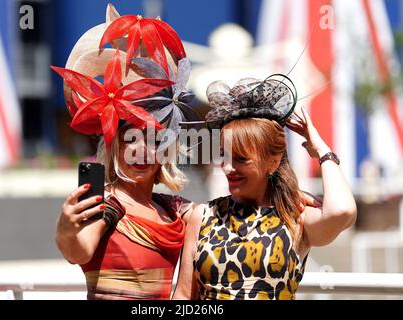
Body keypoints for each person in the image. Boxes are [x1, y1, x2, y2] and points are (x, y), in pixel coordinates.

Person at [54, 5, 197, 300]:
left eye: (155, 139)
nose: (143, 150)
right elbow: (79, 251)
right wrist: (66, 229)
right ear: (114, 144)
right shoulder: (108, 203)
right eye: (132, 138)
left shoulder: (178, 212)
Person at [173, 76, 357, 300]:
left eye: (241, 159)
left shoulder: (295, 219)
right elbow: (183, 296)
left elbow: (342, 211)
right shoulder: (202, 216)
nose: (228, 168)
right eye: (223, 155)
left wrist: (320, 149)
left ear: (273, 161)